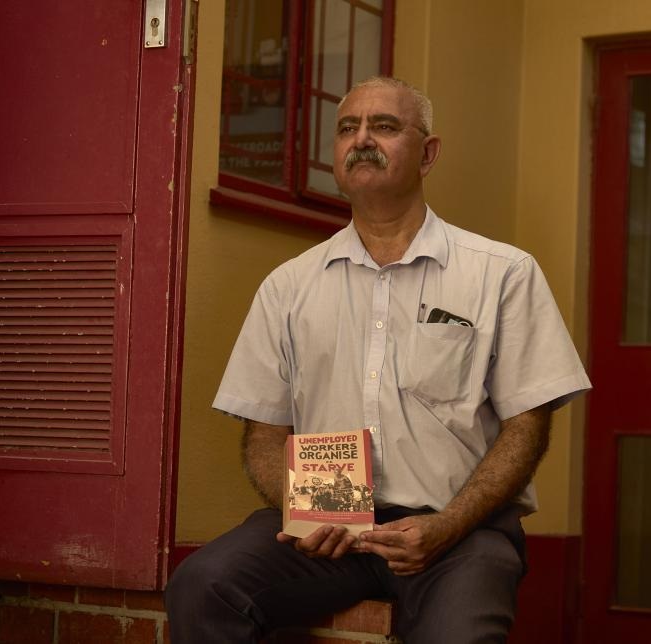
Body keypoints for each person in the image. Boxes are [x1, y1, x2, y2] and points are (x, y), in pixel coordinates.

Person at [165, 76, 592, 643]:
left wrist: (448, 525)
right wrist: (310, 511)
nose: (362, 139)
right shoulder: (288, 286)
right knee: (203, 585)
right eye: (348, 128)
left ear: (428, 154)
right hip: (330, 528)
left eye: (385, 126)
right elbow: (265, 433)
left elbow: (526, 425)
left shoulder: (502, 273)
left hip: (459, 532)